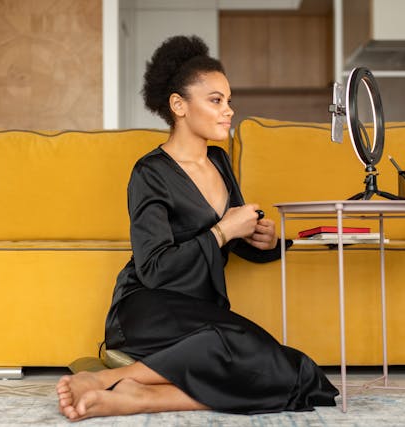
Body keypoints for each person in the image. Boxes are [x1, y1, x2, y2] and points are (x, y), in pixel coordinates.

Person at [56, 35, 338, 421]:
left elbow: (235, 240)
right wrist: (222, 231)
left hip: (202, 313)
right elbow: (154, 268)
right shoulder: (149, 173)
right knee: (235, 345)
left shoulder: (221, 163)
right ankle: (109, 381)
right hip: (146, 307)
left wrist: (265, 241)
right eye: (216, 100)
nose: (229, 111)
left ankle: (141, 394)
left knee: (301, 374)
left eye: (229, 100)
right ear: (179, 105)